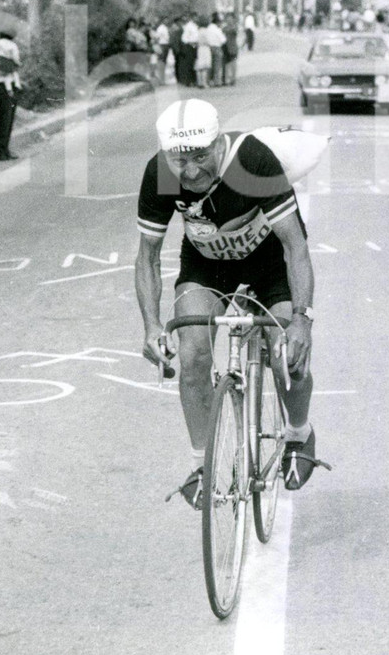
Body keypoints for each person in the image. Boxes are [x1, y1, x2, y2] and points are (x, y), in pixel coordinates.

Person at [135, 99, 323, 507]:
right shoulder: (164, 172)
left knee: (285, 356)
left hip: (269, 263)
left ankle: (299, 433)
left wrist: (302, 322)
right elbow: (147, 256)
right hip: (207, 267)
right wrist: (151, 326)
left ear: (219, 144)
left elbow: (295, 247)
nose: (191, 171)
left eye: (201, 157)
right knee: (194, 355)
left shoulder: (250, 162)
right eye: (180, 161)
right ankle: (202, 465)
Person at [0, 29, 22, 161]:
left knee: (8, 121)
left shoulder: (1, 55)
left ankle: (5, 149)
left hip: (11, 86)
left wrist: (12, 66)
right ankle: (0, 151)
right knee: (4, 120)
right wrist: (11, 66)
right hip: (1, 87)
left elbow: (16, 64)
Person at [205, 13, 226, 87]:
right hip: (217, 47)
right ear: (217, 22)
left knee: (210, 65)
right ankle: (217, 82)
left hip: (209, 47)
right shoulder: (217, 29)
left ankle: (209, 81)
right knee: (217, 65)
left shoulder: (208, 28)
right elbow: (223, 40)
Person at [193, 16, 213, 89]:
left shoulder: (198, 31)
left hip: (199, 48)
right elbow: (209, 41)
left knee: (199, 66)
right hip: (205, 48)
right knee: (205, 67)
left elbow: (195, 41)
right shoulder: (206, 31)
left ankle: (199, 82)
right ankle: (204, 83)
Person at [180, 15, 200, 86]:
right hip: (189, 46)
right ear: (192, 18)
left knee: (194, 64)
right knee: (189, 64)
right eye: (195, 17)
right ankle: (188, 81)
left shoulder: (196, 26)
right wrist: (190, 42)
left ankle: (194, 80)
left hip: (195, 46)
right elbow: (184, 38)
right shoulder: (188, 26)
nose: (197, 18)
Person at [222, 17, 239, 87]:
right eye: (228, 20)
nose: (229, 22)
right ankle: (229, 79)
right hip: (229, 48)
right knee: (228, 65)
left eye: (230, 20)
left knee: (231, 64)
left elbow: (235, 32)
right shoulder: (227, 28)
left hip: (231, 48)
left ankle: (231, 79)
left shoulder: (227, 28)